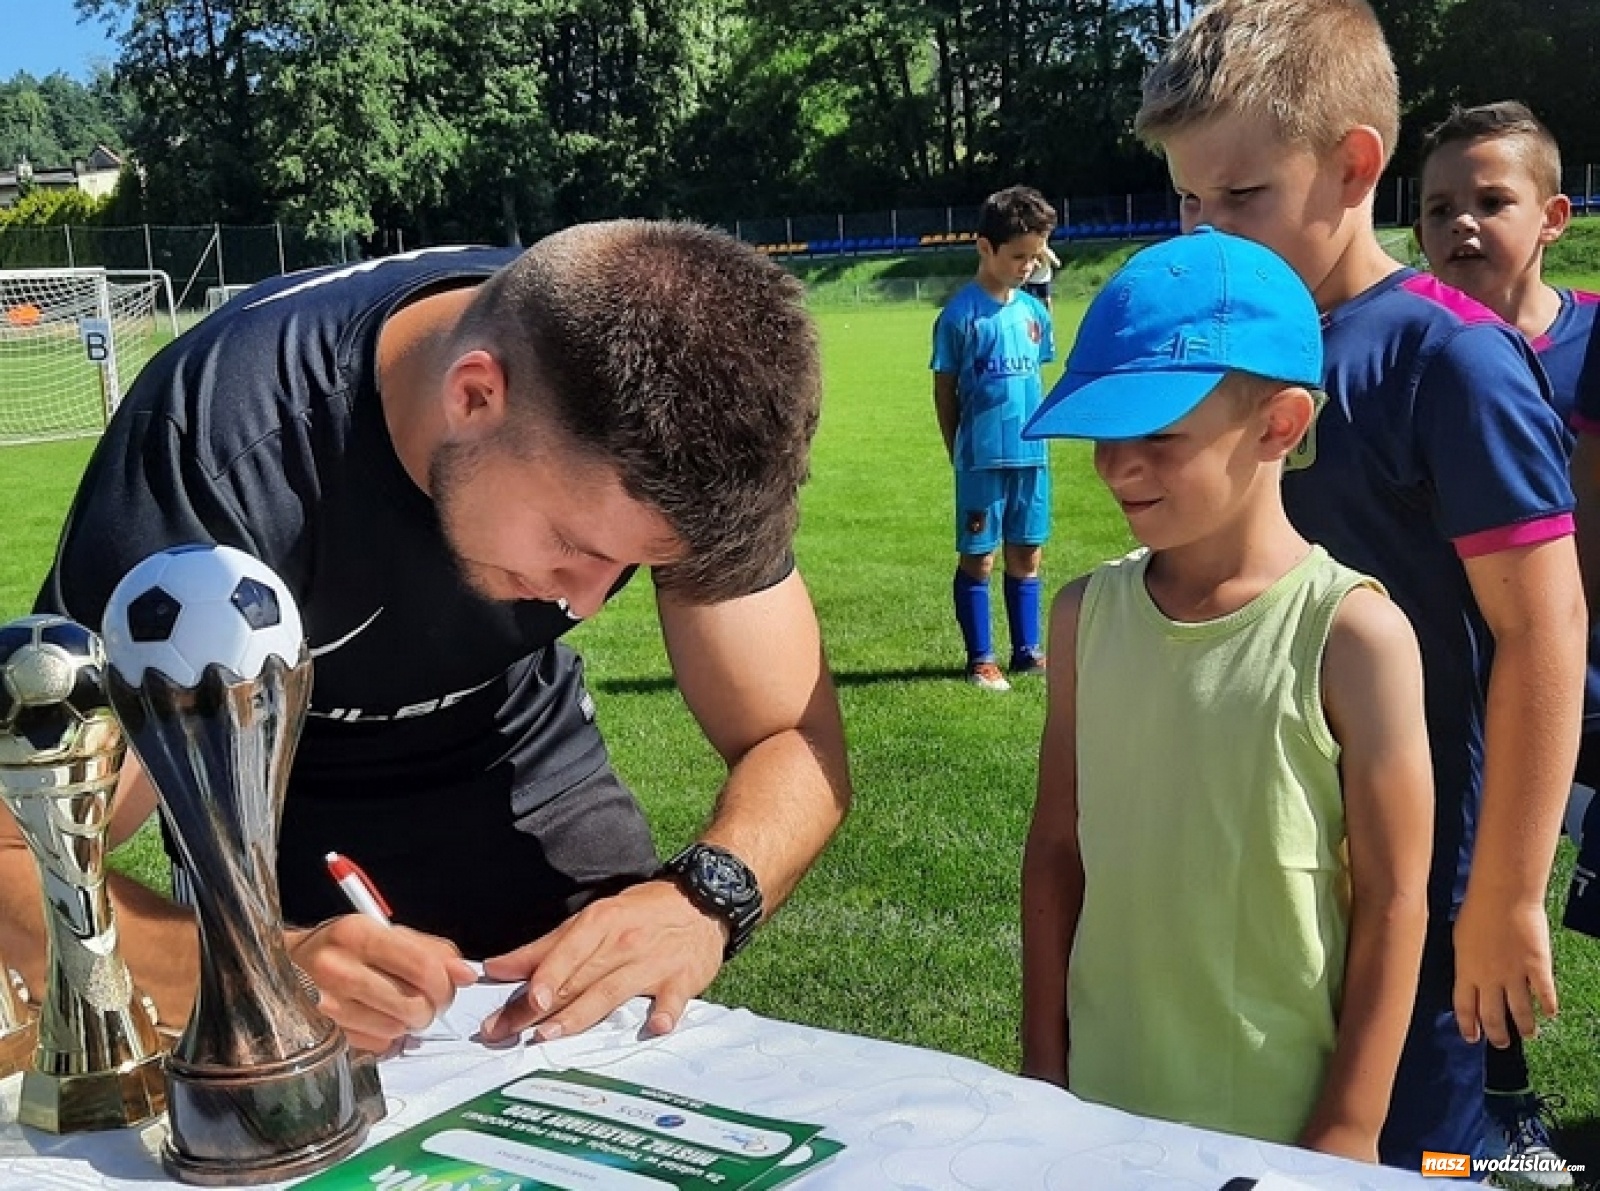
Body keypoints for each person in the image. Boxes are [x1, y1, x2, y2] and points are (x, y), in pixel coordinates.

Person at [2, 222, 853, 1055]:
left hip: (529, 777)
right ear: (474, 396)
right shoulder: (221, 454)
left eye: (633, 564)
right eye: (573, 545)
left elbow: (793, 734)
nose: (590, 601)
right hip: (283, 843)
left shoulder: (660, 408)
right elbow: (17, 853)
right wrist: (253, 967)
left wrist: (705, 896)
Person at [1135, 0, 1587, 1169]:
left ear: (1351, 166)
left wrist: (1506, 895)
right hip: (1267, 845)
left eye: (1240, 197)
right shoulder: (1232, 348)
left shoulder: (1450, 359)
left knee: (1404, 1151)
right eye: (1186, 201)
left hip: (1421, 870)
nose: (1207, 233)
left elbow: (1543, 628)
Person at [1020, 228, 1432, 1162]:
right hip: (1098, 1108)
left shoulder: (1353, 638)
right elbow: (1056, 848)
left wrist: (1351, 1122)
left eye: (1158, 436)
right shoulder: (1084, 617)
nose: (1118, 466)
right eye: (1105, 434)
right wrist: (1043, 1062)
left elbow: (1396, 898)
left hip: (1278, 1125)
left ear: (1280, 425)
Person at [1415, 99, 1599, 1186]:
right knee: (1470, 900)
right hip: (1467, 689)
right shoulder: (1418, 344)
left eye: (1491, 200)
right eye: (1439, 207)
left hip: (1583, 679)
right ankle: (1495, 1117)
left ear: (1553, 217)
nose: (1462, 225)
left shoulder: (1593, 341)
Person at [931, 185, 1058, 692]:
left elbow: (1038, 371)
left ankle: (1027, 651)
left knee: (1027, 554)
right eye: (1019, 256)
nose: (1028, 266)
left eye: (1036, 256)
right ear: (985, 247)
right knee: (980, 557)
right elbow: (944, 392)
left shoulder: (1033, 313)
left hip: (1032, 455)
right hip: (981, 458)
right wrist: (956, 449)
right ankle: (981, 659)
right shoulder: (959, 316)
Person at [1022, 243, 1061, 310]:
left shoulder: (1048, 252)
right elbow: (1035, 266)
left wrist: (1049, 257)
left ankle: (1047, 316)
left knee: (1047, 301)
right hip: (1031, 281)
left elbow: (1058, 264)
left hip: (1044, 280)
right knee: (1030, 301)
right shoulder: (1031, 252)